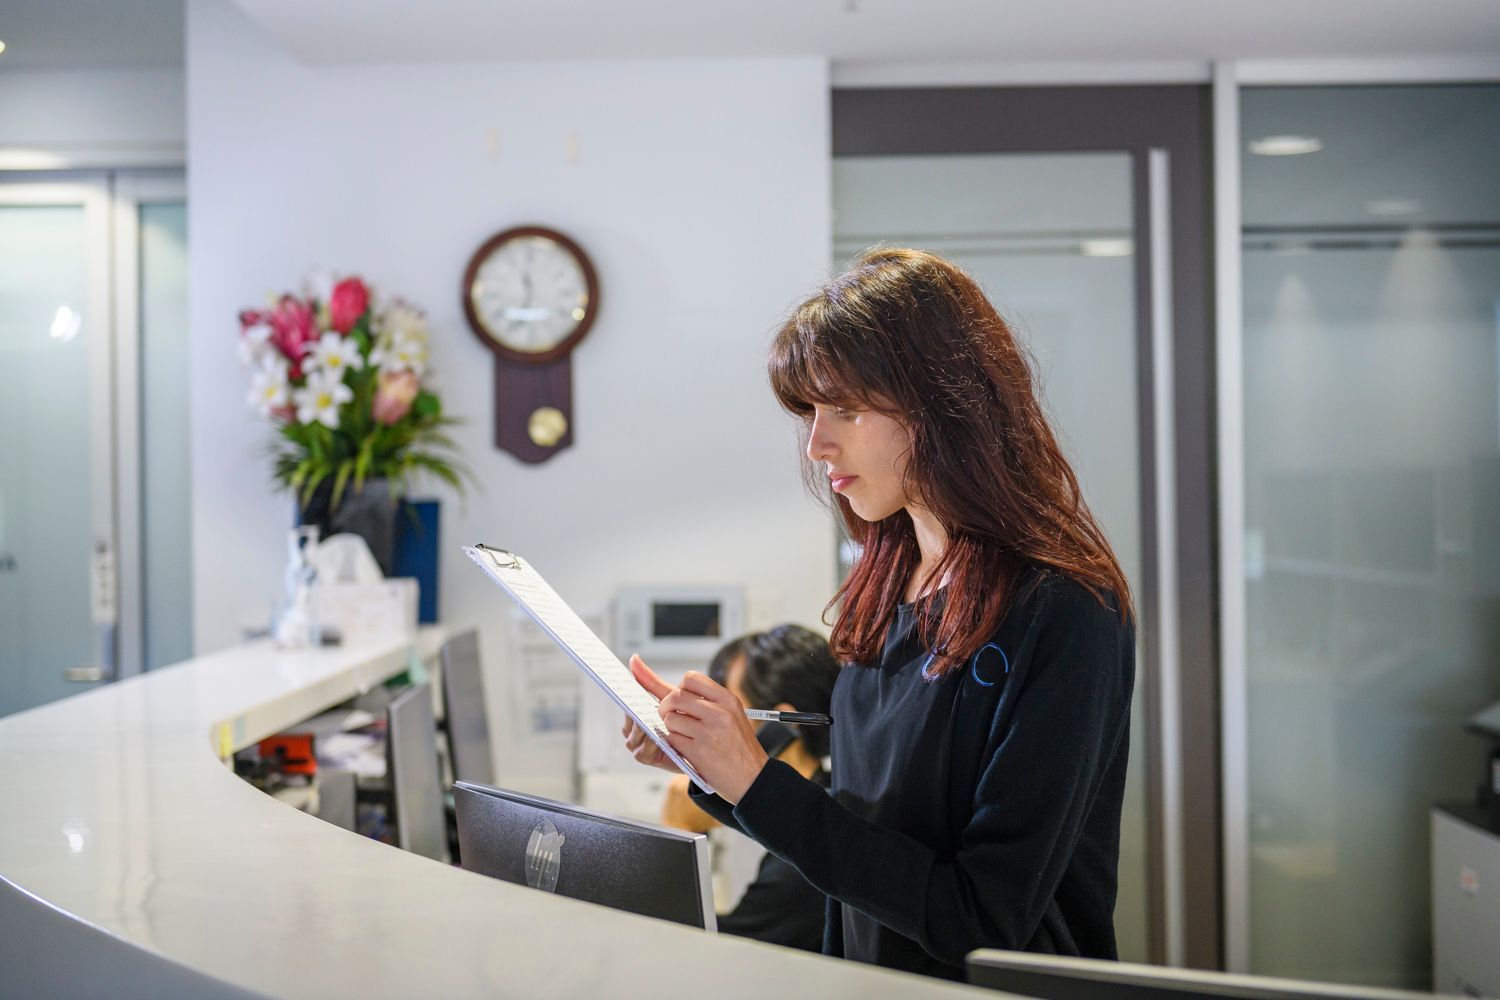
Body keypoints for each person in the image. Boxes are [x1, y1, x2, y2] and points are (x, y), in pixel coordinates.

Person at [621, 246, 1136, 981]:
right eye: (810, 411)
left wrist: (756, 783)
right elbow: (861, 838)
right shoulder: (890, 587)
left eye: (847, 409)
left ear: (943, 404)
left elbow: (981, 916)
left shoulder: (1064, 609)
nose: (817, 443)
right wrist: (714, 761)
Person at [658, 625, 839, 952]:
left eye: (723, 715)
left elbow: (723, 956)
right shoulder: (806, 807)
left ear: (784, 723)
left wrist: (676, 831)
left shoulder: (809, 847)